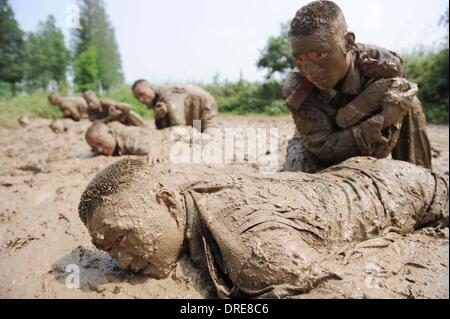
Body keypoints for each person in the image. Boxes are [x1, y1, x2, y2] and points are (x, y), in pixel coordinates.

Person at [79, 157, 448, 298]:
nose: (121, 261)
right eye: (108, 250)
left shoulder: (251, 250)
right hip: (350, 174)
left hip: (400, 188)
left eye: (122, 238)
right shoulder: (187, 197)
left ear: (166, 202)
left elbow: (343, 290)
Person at [282, 1, 432, 173]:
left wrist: (380, 115)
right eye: (300, 59)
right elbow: (323, 147)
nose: (311, 70)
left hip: (373, 135)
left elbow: (398, 107)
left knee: (409, 103)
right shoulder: (295, 87)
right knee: (299, 165)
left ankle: (422, 179)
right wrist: (366, 130)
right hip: (318, 144)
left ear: (348, 42)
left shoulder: (383, 65)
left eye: (320, 54)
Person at [132, 80, 218, 132]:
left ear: (151, 88)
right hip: (193, 115)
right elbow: (162, 128)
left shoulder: (167, 95)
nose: (141, 99)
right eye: (137, 98)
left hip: (205, 106)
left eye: (142, 94)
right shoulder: (157, 101)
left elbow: (178, 125)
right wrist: (159, 117)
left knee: (209, 136)